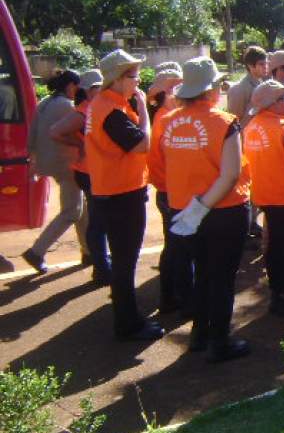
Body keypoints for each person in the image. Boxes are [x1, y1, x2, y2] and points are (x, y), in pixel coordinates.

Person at [158, 56, 251, 361]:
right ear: (212, 89)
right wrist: (204, 206)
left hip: (183, 212)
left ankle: (199, 335)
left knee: (202, 274)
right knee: (221, 278)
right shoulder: (225, 122)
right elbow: (231, 174)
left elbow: (163, 166)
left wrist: (191, 208)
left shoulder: (168, 121)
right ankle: (220, 342)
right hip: (223, 211)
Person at [85, 49, 164, 341]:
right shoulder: (111, 110)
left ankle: (127, 319)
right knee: (125, 261)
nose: (138, 80)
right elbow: (142, 143)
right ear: (117, 79)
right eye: (132, 75)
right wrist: (144, 109)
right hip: (121, 194)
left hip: (114, 190)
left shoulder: (106, 104)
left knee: (123, 260)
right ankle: (128, 323)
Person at [242, 80, 284, 316]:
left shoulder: (251, 126)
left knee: (273, 247)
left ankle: (277, 293)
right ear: (270, 104)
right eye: (281, 99)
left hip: (264, 195)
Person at [22, 69, 89, 273]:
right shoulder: (67, 106)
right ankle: (37, 251)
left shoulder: (45, 103)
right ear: (71, 87)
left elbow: (32, 134)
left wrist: (33, 159)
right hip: (66, 163)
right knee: (72, 211)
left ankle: (90, 251)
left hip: (51, 163)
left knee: (82, 208)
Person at [49, 69, 111, 283]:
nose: (101, 90)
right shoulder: (84, 111)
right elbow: (55, 132)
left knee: (96, 220)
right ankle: (102, 267)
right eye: (97, 87)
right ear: (87, 90)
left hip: (92, 171)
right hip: (88, 172)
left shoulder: (92, 109)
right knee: (98, 222)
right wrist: (80, 143)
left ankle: (100, 264)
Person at [145, 65, 194, 314]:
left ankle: (172, 295)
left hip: (169, 190)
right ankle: (178, 298)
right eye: (174, 88)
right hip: (172, 191)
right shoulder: (166, 120)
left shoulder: (166, 117)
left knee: (175, 245)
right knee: (179, 247)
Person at [226, 45, 268, 122]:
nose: (265, 67)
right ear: (250, 66)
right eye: (261, 64)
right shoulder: (239, 90)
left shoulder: (262, 84)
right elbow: (235, 122)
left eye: (266, 63)